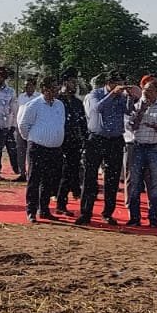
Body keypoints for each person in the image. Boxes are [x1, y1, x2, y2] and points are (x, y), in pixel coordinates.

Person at [78, 73, 129, 226]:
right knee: (90, 176)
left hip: (115, 139)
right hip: (97, 138)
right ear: (109, 83)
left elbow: (129, 111)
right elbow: (97, 108)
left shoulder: (122, 96)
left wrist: (132, 97)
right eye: (117, 83)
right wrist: (112, 95)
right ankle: (86, 212)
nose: (120, 86)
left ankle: (108, 212)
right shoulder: (96, 94)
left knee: (112, 178)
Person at [18, 77, 66, 221]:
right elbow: (23, 126)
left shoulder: (59, 105)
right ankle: (31, 210)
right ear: (44, 89)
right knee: (34, 179)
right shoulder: (34, 105)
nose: (56, 91)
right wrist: (34, 138)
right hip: (38, 148)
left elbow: (61, 123)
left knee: (48, 181)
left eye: (57, 87)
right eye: (53, 88)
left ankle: (44, 209)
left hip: (54, 149)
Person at [125, 77, 157, 227]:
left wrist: (156, 127)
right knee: (134, 184)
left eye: (150, 91)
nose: (146, 94)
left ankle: (153, 218)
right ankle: (134, 217)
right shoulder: (136, 105)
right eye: (145, 90)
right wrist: (141, 111)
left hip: (155, 148)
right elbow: (131, 127)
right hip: (138, 147)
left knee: (155, 185)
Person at [56, 79, 87, 214]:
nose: (73, 85)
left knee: (70, 171)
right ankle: (58, 202)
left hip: (74, 142)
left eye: (74, 83)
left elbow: (82, 122)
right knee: (59, 172)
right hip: (58, 141)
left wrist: (85, 139)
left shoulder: (77, 102)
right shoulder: (58, 102)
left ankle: (62, 203)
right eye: (70, 82)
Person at [11, 75, 40, 182]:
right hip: (19, 127)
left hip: (32, 128)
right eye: (25, 85)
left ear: (34, 86)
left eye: (29, 85)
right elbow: (17, 111)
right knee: (20, 151)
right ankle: (22, 173)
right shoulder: (21, 97)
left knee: (30, 152)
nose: (27, 87)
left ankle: (30, 174)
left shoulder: (38, 98)